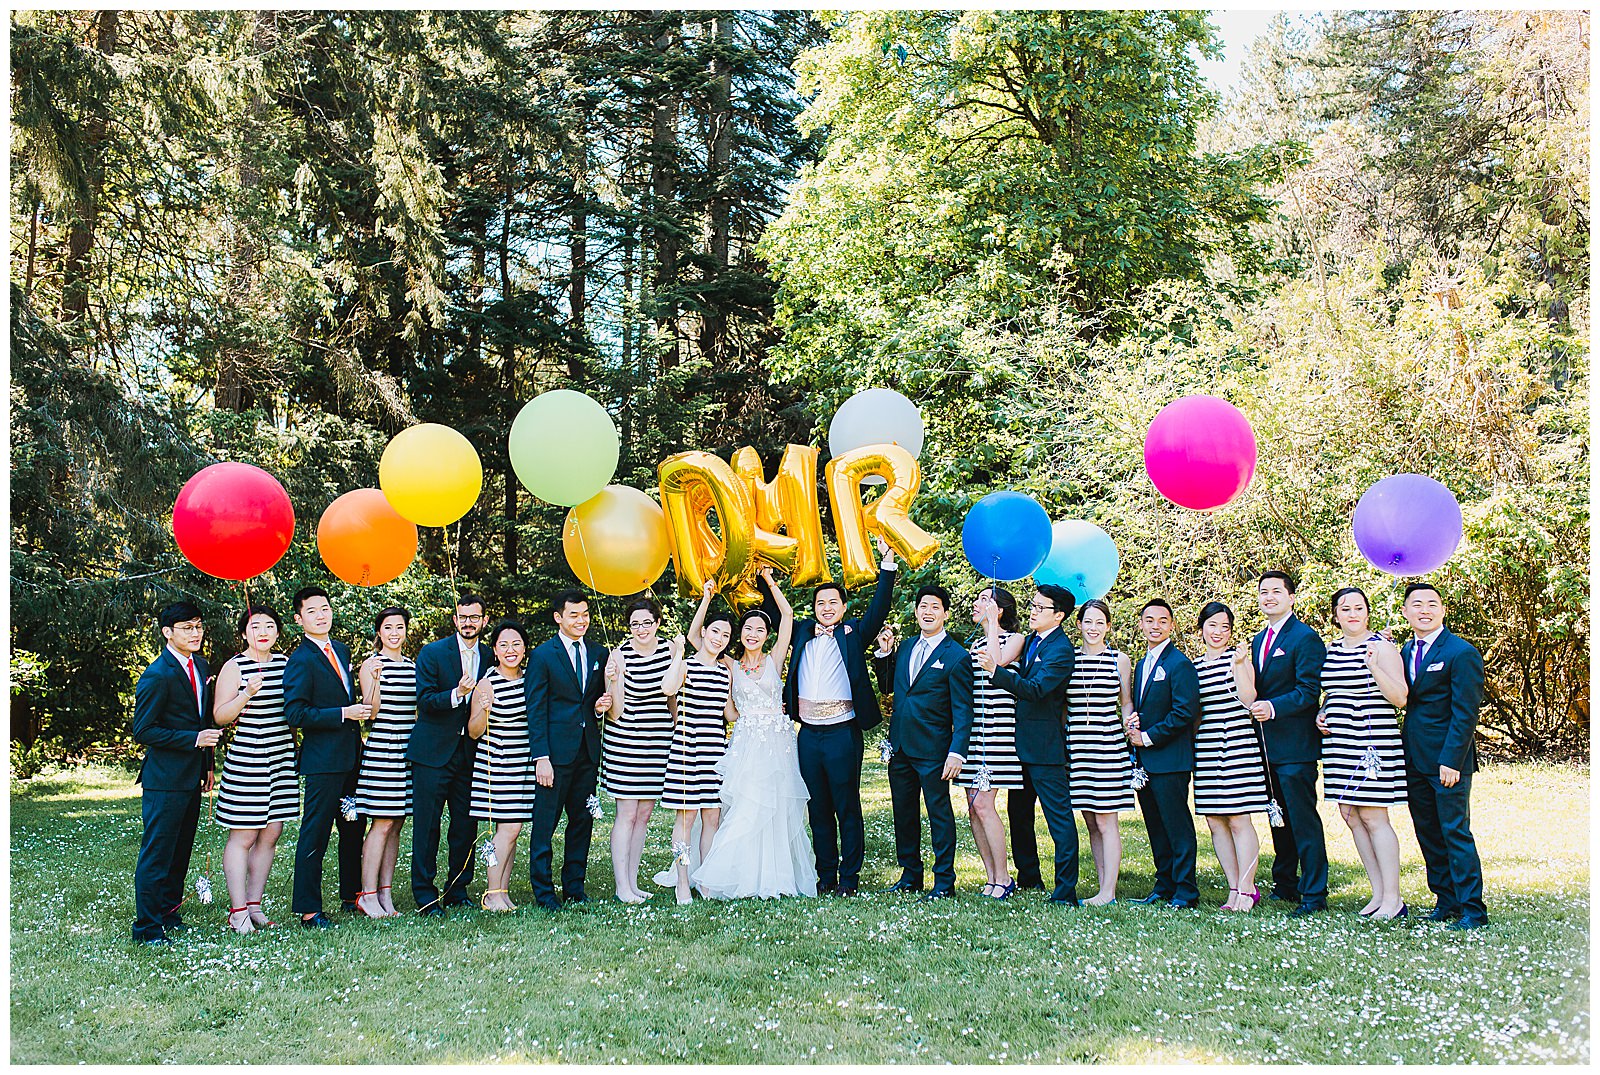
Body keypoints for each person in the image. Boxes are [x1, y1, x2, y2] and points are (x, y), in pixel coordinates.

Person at [693, 569, 818, 899]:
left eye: (760, 629)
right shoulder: (731, 665)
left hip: (777, 744)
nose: (753, 633)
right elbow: (695, 639)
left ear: (766, 635)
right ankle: (736, 875)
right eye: (748, 628)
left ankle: (775, 877)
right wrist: (707, 598)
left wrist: (768, 580)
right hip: (746, 741)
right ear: (741, 633)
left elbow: (788, 615)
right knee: (745, 806)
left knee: (776, 807)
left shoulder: (775, 659)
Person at [783, 539, 898, 898]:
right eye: (821, 603)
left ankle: (850, 876)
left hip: (842, 733)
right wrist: (765, 576)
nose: (827, 607)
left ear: (844, 607)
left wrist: (887, 567)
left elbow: (879, 609)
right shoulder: (802, 632)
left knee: (846, 804)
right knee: (817, 806)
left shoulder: (853, 634)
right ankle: (826, 875)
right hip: (808, 734)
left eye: (834, 602)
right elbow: (774, 609)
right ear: (813, 609)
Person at [978, 582, 1081, 906]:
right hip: (1019, 745)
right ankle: (1029, 876)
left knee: (1058, 819)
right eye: (1033, 605)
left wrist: (997, 672)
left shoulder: (1061, 651)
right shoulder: (1035, 640)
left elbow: (1037, 689)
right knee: (1018, 815)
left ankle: (1064, 891)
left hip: (1045, 748)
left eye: (1040, 608)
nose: (1033, 612)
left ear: (1060, 615)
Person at [871, 583, 973, 899]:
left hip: (934, 750)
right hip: (900, 746)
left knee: (939, 814)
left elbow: (964, 710)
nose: (928, 612)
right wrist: (884, 654)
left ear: (945, 613)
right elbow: (891, 686)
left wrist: (957, 751)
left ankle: (944, 881)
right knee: (904, 813)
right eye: (923, 606)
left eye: (935, 607)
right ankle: (910, 875)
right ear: (916, 611)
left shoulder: (956, 656)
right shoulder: (907, 647)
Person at [131, 600, 221, 944]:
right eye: (187, 628)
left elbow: (203, 720)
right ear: (168, 632)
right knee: (158, 853)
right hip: (164, 779)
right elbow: (144, 731)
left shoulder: (199, 665)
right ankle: (147, 927)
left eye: (198, 626)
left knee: (180, 851)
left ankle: (169, 914)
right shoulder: (157, 674)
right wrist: (193, 740)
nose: (195, 633)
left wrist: (208, 763)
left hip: (192, 776)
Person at [1398, 583, 1488, 930]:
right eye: (1416, 604)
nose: (1425, 610)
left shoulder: (1460, 652)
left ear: (1443, 610)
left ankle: (1472, 909)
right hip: (1414, 759)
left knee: (1455, 832)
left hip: (1449, 761)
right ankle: (1445, 901)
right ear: (1406, 611)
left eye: (1432, 604)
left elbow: (1466, 712)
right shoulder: (1405, 651)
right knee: (1428, 832)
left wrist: (1451, 759)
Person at [1318, 586, 1410, 920]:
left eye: (1358, 607)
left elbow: (1400, 697)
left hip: (1372, 742)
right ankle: (1377, 893)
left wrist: (1374, 668)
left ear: (1367, 612)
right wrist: (1322, 711)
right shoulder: (1331, 650)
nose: (1352, 613)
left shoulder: (1382, 648)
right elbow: (1334, 692)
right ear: (1336, 615)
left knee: (1374, 816)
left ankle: (1394, 899)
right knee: (1352, 815)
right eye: (1345, 608)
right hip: (1339, 743)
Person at [282, 586, 370, 928]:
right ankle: (308, 908)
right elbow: (296, 713)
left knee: (352, 826)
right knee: (315, 832)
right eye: (313, 610)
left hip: (350, 757)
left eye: (325, 608)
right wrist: (343, 714)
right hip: (322, 761)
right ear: (299, 618)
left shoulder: (342, 650)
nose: (322, 615)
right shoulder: (300, 659)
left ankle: (351, 895)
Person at [1248, 570, 1330, 916]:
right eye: (1263, 592)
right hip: (1265, 745)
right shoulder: (1257, 640)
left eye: (1276, 592)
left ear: (1291, 598)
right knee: (1276, 815)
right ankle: (1285, 883)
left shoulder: (1305, 638)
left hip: (1295, 745)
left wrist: (1273, 707)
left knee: (1302, 818)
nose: (1269, 597)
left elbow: (1309, 691)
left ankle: (1314, 892)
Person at [524, 589, 611, 912]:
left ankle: (575, 887)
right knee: (545, 825)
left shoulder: (598, 652)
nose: (582, 620)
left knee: (581, 823)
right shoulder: (543, 655)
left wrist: (601, 706)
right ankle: (544, 892)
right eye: (574, 614)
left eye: (585, 614)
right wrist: (540, 757)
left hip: (587, 754)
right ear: (558, 617)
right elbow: (535, 708)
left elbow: (595, 700)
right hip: (553, 757)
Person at [212, 605, 295, 933]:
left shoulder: (286, 665)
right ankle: (237, 911)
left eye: (270, 625)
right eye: (255, 625)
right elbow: (220, 715)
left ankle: (254, 904)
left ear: (277, 632)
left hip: (280, 755)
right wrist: (247, 692)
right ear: (244, 632)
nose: (263, 631)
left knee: (272, 831)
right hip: (249, 756)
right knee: (244, 833)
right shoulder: (235, 667)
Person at [410, 593, 493, 916]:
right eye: (463, 617)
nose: (469, 622)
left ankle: (458, 888)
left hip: (471, 753)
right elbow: (425, 700)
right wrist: (457, 694)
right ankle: (425, 894)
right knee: (427, 826)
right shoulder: (433, 653)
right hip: (432, 752)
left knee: (465, 825)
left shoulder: (490, 655)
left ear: (484, 621)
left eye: (475, 617)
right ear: (455, 620)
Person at [1191, 602, 1271, 913]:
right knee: (1215, 820)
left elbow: (1249, 699)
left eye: (1225, 627)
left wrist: (1239, 664)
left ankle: (1249, 888)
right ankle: (1234, 885)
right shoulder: (1194, 666)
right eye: (1212, 626)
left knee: (1239, 819)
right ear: (1201, 630)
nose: (1218, 632)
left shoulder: (1239, 660)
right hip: (1208, 746)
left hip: (1237, 743)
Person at [1124, 598, 1201, 908]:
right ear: (1141, 624)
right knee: (1155, 825)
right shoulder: (1143, 663)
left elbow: (1185, 712)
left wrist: (1148, 737)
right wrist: (1135, 721)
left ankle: (1186, 890)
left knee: (1177, 825)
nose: (1155, 626)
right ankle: (1164, 884)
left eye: (1162, 621)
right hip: (1146, 762)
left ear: (1171, 625)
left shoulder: (1179, 664)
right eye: (1149, 620)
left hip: (1170, 759)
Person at [660, 594, 736, 904]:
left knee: (712, 819)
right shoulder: (687, 665)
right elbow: (667, 689)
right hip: (686, 749)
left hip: (715, 750)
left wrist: (765, 710)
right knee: (687, 818)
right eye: (715, 631)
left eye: (726, 635)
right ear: (703, 632)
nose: (719, 639)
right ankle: (682, 881)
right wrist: (677, 652)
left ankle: (705, 880)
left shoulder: (724, 673)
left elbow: (730, 713)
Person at [600, 596, 675, 903]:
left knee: (644, 813)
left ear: (657, 623)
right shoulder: (619, 655)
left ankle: (633, 882)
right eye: (635, 624)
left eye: (647, 622)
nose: (641, 629)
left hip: (659, 740)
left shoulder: (671, 651)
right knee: (627, 813)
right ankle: (621, 886)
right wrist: (614, 681)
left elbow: (673, 697)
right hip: (626, 740)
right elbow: (614, 712)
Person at [955, 587, 1025, 898]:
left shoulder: (1015, 639)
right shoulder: (974, 645)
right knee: (972, 807)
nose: (976, 603)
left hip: (999, 730)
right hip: (976, 730)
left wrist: (993, 624)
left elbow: (996, 666)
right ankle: (991, 877)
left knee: (984, 804)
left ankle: (1005, 877)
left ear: (999, 608)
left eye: (985, 599)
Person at [1065, 599, 1135, 906]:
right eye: (1088, 622)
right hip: (1078, 748)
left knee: (1107, 821)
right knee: (1091, 820)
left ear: (1108, 626)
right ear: (1079, 625)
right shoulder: (1070, 660)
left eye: (1099, 622)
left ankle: (1109, 891)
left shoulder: (1120, 660)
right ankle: (1102, 882)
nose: (1093, 628)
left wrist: (1130, 725)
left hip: (1107, 747)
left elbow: (1127, 702)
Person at [352, 606, 416, 918]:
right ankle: (367, 893)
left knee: (397, 823)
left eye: (399, 627)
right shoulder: (371, 665)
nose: (394, 632)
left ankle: (386, 894)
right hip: (383, 748)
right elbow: (371, 711)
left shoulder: (413, 666)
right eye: (388, 627)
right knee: (382, 822)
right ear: (379, 632)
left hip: (408, 748)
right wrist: (375, 680)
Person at [468, 621, 535, 912]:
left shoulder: (529, 679)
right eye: (504, 645)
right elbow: (473, 731)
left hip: (524, 761)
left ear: (524, 648)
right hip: (498, 761)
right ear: (494, 650)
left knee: (514, 830)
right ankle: (491, 892)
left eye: (516, 644)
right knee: (507, 829)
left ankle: (502, 891)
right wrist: (485, 708)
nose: (511, 650)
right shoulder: (487, 682)